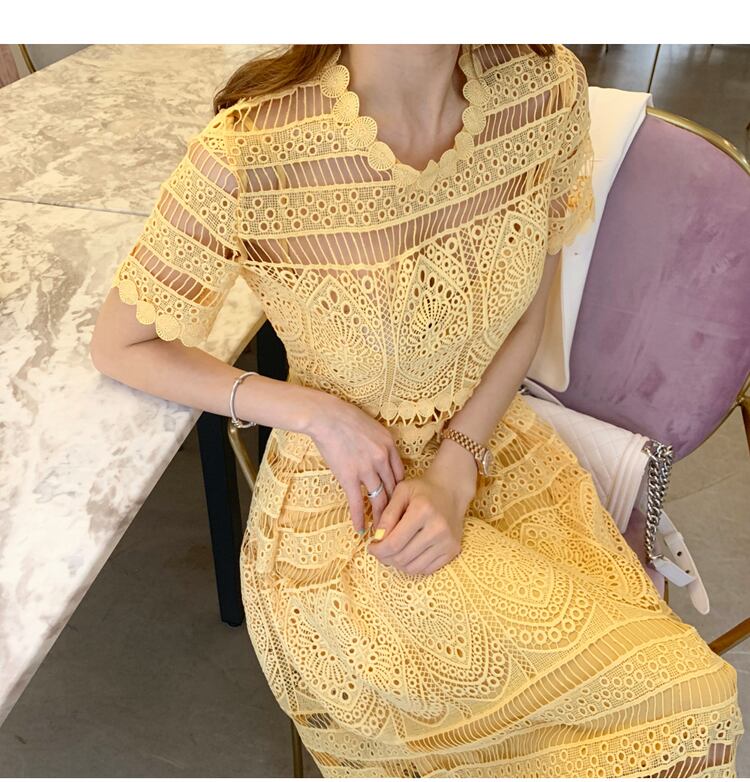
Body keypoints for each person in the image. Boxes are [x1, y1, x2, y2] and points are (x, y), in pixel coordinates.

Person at [90, 43, 743, 777]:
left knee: (678, 709)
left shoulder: (544, 89)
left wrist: (459, 466)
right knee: (690, 701)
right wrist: (314, 413)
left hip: (496, 453)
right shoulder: (251, 150)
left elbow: (531, 309)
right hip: (352, 509)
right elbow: (120, 345)